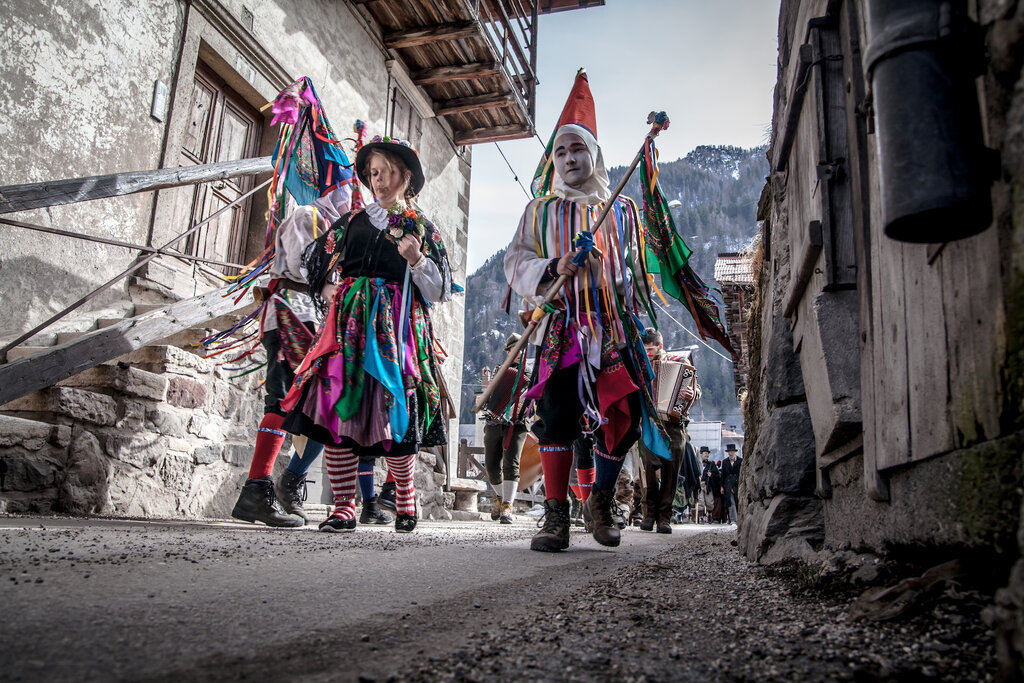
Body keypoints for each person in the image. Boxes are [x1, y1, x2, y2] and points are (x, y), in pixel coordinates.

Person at [503, 70, 674, 552]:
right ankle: (556, 514)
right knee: (557, 412)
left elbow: (636, 274)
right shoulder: (539, 212)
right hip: (562, 327)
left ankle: (600, 499)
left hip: (613, 326)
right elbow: (516, 264)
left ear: (593, 154)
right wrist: (558, 264)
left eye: (576, 148)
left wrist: (608, 270)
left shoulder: (621, 211)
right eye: (560, 151)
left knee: (623, 413)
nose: (568, 158)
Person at [280, 135, 454, 534]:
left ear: (405, 176)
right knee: (338, 405)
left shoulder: (422, 228)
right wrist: (329, 290)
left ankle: (404, 497)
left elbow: (440, 289)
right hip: (349, 329)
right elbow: (315, 262)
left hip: (397, 331)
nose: (378, 181)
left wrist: (417, 259)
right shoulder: (354, 221)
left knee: (396, 407)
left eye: (386, 172)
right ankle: (343, 506)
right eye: (372, 173)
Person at [229, 181, 352, 528]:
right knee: (281, 401)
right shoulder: (308, 215)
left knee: (322, 410)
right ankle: (256, 490)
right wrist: (332, 285)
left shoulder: (335, 232)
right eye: (352, 195)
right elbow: (302, 266)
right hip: (289, 313)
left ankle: (290, 481)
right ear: (340, 194)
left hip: (312, 319)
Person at [637, 329, 698, 534]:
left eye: (651, 349)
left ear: (660, 346)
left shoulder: (680, 364)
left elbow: (696, 391)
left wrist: (691, 393)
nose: (647, 353)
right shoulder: (639, 366)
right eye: (644, 350)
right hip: (650, 424)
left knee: (671, 471)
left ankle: (665, 517)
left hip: (674, 423)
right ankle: (649, 514)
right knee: (650, 469)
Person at [481, 333, 530, 523]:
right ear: (508, 351)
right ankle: (501, 498)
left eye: (521, 350)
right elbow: (490, 396)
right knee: (492, 466)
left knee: (511, 464)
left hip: (517, 424)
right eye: (515, 350)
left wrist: (524, 406)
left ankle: (507, 506)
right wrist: (484, 395)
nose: (519, 353)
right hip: (494, 421)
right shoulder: (499, 371)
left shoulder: (530, 373)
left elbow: (532, 399)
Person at [721, 443, 742, 524]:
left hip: (737, 484)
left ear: (734, 452)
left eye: (732, 452)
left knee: (737, 501)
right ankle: (733, 519)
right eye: (729, 452)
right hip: (728, 484)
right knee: (730, 502)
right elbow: (723, 475)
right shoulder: (725, 462)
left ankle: (737, 519)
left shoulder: (740, 461)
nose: (730, 453)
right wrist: (722, 486)